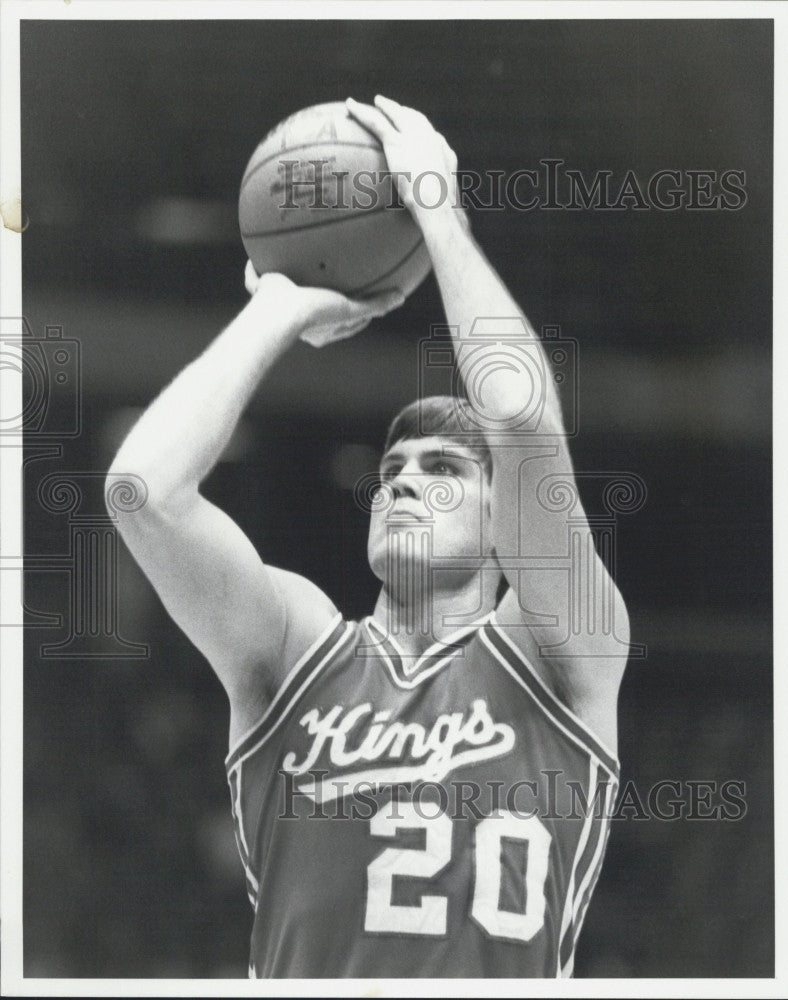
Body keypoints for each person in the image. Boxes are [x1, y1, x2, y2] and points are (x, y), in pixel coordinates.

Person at [107, 95, 630, 978]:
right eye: (391, 474)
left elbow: (521, 415)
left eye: (443, 471)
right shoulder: (297, 648)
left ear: (507, 518)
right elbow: (142, 491)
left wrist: (436, 208)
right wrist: (278, 307)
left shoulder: (563, 651)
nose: (404, 485)